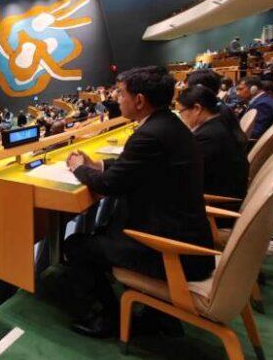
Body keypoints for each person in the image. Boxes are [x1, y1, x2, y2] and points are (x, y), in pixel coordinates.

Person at [62, 66, 214, 338]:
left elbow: (110, 185)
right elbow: (133, 167)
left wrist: (78, 168)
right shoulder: (168, 124)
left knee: (77, 245)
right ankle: (158, 316)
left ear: (140, 100)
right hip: (183, 236)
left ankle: (105, 318)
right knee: (104, 229)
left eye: (121, 94)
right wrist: (97, 164)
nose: (116, 98)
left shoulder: (149, 135)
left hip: (171, 251)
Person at [177, 86, 248, 199]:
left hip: (217, 201)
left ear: (197, 108)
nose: (181, 116)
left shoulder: (208, 137)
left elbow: (186, 175)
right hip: (221, 192)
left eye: (181, 111)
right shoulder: (219, 124)